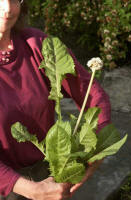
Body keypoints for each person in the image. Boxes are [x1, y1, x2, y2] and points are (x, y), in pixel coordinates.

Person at [0, 0, 111, 199]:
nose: (8, 8)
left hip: (51, 175)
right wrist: (29, 189)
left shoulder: (38, 45)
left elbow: (90, 92)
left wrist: (97, 147)